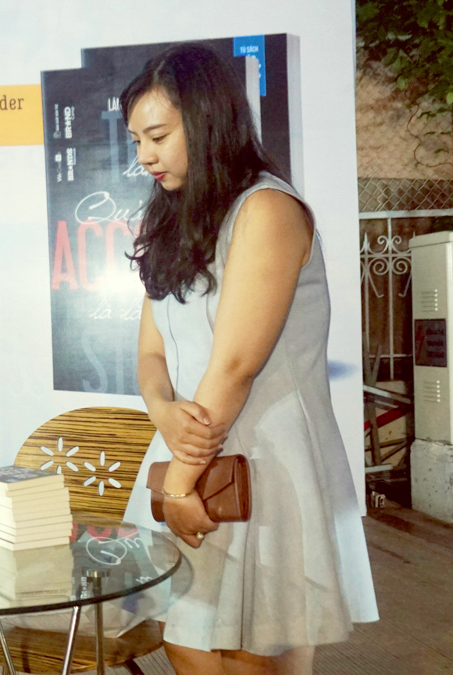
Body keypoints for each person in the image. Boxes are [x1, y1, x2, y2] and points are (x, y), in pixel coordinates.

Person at [121, 44, 378, 675]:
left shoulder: (267, 209)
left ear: (208, 121)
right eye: (135, 140)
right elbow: (152, 350)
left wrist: (180, 480)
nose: (143, 156)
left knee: (253, 653)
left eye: (157, 136)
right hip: (189, 451)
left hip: (261, 465)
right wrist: (163, 411)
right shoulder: (173, 218)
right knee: (187, 638)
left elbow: (234, 365)